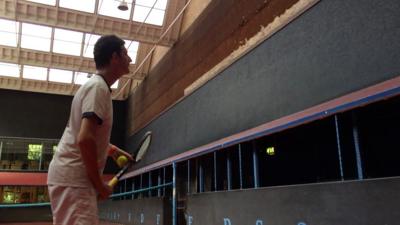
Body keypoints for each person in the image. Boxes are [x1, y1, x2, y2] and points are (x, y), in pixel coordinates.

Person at [47, 35, 133, 225]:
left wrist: (111, 150)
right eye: (125, 53)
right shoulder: (98, 88)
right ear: (114, 57)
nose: (130, 59)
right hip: (75, 180)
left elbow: (85, 133)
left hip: (69, 178)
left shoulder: (96, 86)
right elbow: (85, 139)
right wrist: (99, 185)